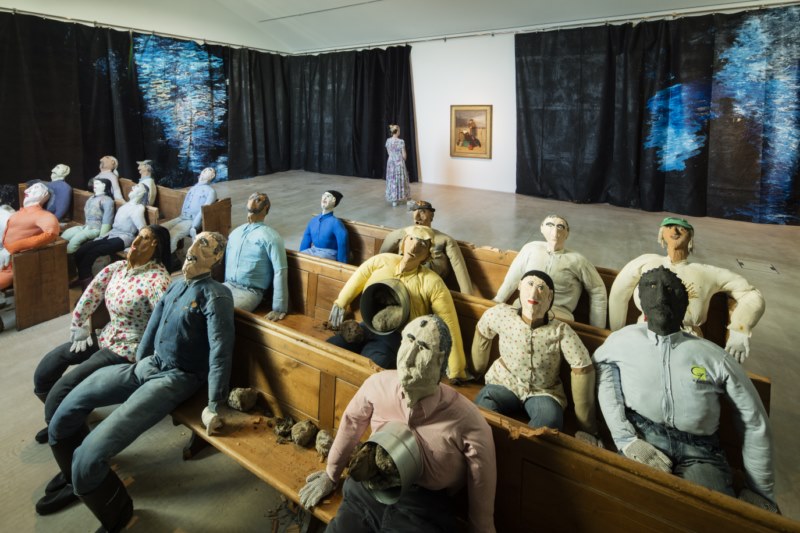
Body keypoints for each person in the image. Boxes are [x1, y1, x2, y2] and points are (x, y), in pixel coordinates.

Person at [46, 231, 234, 531]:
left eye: (205, 245)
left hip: (177, 378)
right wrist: (140, 361)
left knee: (92, 451)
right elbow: (153, 326)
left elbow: (221, 352)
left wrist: (214, 404)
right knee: (66, 408)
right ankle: (74, 478)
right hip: (149, 366)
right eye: (195, 240)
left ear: (216, 258)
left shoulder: (216, 295)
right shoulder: (176, 286)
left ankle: (116, 513)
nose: (194, 248)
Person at [594, 266, 777, 512]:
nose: (661, 297)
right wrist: (625, 438)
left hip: (701, 452)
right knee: (630, 510)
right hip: (643, 436)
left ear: (684, 304)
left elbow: (753, 420)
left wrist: (760, 490)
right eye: (652, 287)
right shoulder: (622, 341)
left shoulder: (713, 357)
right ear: (641, 301)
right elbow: (602, 374)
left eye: (671, 289)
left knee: (709, 515)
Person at [300, 315, 497, 532]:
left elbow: (482, 478)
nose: (409, 357)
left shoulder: (467, 420)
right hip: (368, 489)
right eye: (409, 340)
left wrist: (482, 528)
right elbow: (351, 422)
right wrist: (331, 474)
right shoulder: (378, 384)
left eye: (422, 348)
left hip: (423, 510)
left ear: (440, 361)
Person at [31, 225, 171, 514]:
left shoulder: (157, 280)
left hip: (128, 349)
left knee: (64, 391)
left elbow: (167, 326)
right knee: (49, 366)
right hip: (106, 335)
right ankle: (65, 429)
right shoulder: (118, 267)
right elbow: (91, 294)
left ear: (156, 247)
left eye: (146, 239)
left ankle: (72, 471)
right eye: (138, 235)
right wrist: (80, 325)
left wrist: (152, 362)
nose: (136, 241)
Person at [608, 217, 765, 363]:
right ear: (661, 234)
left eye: (681, 228)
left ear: (690, 237)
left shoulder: (707, 273)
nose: (675, 231)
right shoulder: (645, 263)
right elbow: (618, 294)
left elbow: (750, 294)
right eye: (669, 227)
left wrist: (740, 328)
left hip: (687, 343)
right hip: (643, 335)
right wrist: (614, 333)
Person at [327, 225, 468, 379]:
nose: (414, 247)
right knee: (329, 348)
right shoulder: (383, 260)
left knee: (371, 367)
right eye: (411, 239)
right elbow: (358, 277)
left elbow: (448, 321)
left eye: (422, 244)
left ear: (428, 255)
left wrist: (456, 369)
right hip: (366, 325)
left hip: (396, 337)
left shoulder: (432, 282)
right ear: (403, 243)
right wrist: (340, 303)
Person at [474, 270, 598, 437]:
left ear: (550, 296)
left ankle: (525, 449)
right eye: (530, 284)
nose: (533, 293)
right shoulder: (502, 315)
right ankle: (494, 440)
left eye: (541, 288)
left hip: (543, 391)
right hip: (504, 382)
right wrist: (476, 370)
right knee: (483, 403)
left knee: (550, 421)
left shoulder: (560, 331)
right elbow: (483, 330)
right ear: (520, 287)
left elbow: (582, 366)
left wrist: (587, 425)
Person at [493, 214, 607, 329]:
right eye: (550, 225)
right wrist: (497, 301)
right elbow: (513, 277)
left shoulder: (578, 261)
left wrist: (597, 330)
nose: (555, 231)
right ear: (542, 228)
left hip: (558, 316)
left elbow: (597, 290)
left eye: (560, 226)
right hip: (523, 309)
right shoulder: (530, 249)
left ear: (567, 233)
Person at [379, 200, 475, 295]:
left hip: (429, 288)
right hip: (402, 283)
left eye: (422, 212)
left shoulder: (445, 240)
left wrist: (468, 298)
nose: (417, 217)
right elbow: (380, 256)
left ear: (431, 216)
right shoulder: (404, 233)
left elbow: (459, 269)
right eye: (414, 211)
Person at [223, 192, 288, 320]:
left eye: (258, 200)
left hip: (249, 291)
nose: (253, 201)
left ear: (266, 208)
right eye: (251, 198)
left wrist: (278, 308)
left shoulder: (271, 237)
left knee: (222, 312)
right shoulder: (236, 232)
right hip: (227, 285)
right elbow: (227, 261)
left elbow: (280, 271)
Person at [73, 183, 148, 287]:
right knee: (81, 251)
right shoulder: (125, 205)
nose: (133, 187)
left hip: (123, 238)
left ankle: (87, 284)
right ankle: (82, 278)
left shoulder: (138, 208)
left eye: (137, 187)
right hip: (112, 234)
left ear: (142, 193)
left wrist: (135, 246)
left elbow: (143, 229)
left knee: (92, 253)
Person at [0, 183, 60, 290]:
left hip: (15, 265)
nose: (26, 191)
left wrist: (12, 247)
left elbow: (51, 233)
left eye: (35, 188)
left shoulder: (43, 215)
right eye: (29, 189)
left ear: (44, 194)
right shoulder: (19, 213)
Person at [162, 167, 217, 252]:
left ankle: (169, 257)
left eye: (208, 171)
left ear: (212, 176)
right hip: (182, 217)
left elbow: (203, 211)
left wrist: (194, 226)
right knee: (161, 229)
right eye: (204, 170)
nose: (204, 171)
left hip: (192, 220)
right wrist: (181, 216)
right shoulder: (193, 188)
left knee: (173, 234)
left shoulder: (211, 192)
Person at [61, 178, 116, 254]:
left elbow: (107, 219)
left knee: (75, 240)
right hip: (86, 226)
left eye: (97, 183)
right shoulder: (91, 198)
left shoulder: (107, 200)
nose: (94, 185)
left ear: (104, 185)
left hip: (96, 229)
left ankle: (70, 256)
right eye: (94, 183)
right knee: (66, 234)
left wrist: (101, 237)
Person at [299, 190, 349, 263]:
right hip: (314, 250)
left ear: (334, 200)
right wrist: (300, 256)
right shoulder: (313, 221)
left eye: (328, 196)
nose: (324, 198)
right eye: (324, 195)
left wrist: (341, 264)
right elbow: (306, 239)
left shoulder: (336, 223)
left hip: (329, 253)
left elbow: (342, 243)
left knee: (315, 260)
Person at [385, 124, 411, 207]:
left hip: (391, 162)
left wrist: (393, 157)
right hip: (399, 162)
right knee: (400, 179)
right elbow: (404, 155)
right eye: (399, 130)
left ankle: (394, 200)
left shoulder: (388, 141)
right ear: (397, 132)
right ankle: (402, 196)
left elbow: (389, 152)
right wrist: (403, 159)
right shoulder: (401, 141)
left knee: (392, 179)